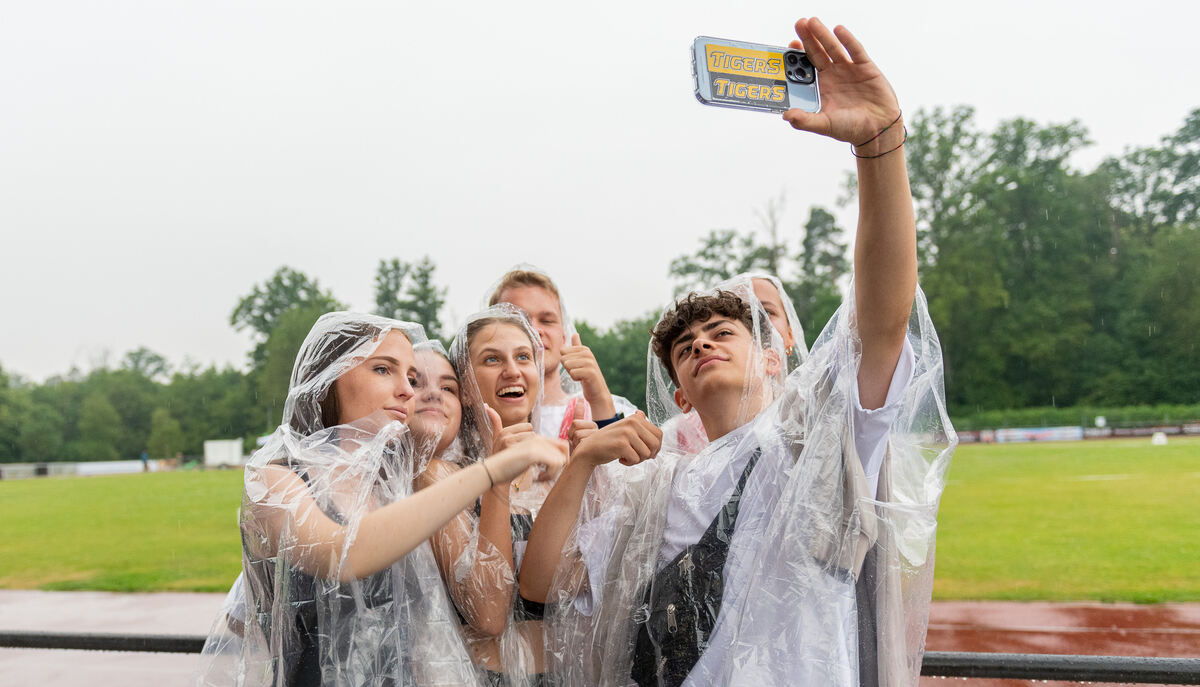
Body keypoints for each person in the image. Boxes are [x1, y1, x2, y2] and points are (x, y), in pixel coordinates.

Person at [520, 18, 955, 686]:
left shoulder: (818, 444)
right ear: (681, 394)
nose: (700, 343)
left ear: (775, 354)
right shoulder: (654, 487)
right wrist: (583, 459)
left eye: (723, 332)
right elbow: (547, 582)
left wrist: (879, 147)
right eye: (686, 347)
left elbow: (882, 320)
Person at [194, 313, 562, 687]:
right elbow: (342, 553)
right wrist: (491, 472)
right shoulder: (274, 479)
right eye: (384, 369)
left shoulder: (394, 486)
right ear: (328, 377)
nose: (407, 390)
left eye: (410, 377)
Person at [487, 266, 638, 439]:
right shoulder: (465, 423)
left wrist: (601, 405)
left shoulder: (615, 410)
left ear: (563, 336)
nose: (535, 330)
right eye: (518, 320)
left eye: (547, 320)